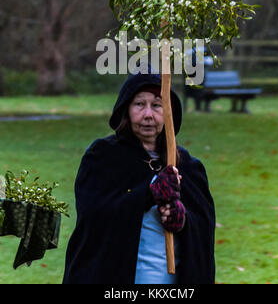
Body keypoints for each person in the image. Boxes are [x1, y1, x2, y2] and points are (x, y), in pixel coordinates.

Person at [62, 69, 215, 284]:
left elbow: (203, 232)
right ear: (126, 109)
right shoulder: (103, 157)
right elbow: (94, 217)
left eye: (157, 105)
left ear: (169, 112)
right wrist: (149, 194)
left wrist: (183, 220)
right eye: (139, 104)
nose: (148, 115)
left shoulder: (187, 166)